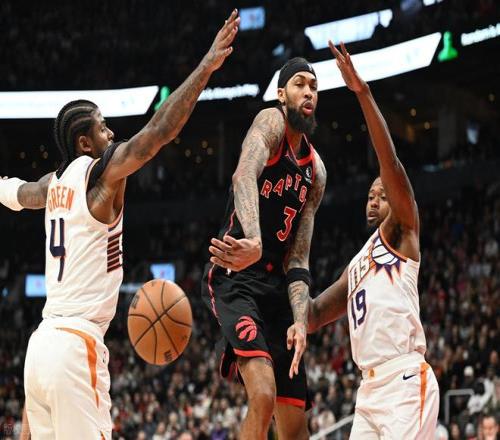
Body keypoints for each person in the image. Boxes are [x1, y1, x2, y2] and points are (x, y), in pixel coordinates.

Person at [0, 10, 240, 439]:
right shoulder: (99, 176)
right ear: (84, 142)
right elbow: (158, 132)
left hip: (40, 347)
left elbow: (16, 193)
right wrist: (206, 67)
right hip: (75, 348)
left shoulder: (51, 185)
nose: (111, 134)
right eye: (103, 128)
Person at [307, 42, 440, 439]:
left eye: (382, 194)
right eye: (370, 195)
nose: (374, 199)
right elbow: (313, 315)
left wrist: (362, 93)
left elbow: (390, 162)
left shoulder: (402, 230)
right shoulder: (356, 266)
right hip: (368, 392)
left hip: (403, 380)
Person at [202, 56, 327, 440]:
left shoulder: (316, 172)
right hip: (236, 276)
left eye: (314, 87)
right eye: (299, 84)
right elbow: (243, 173)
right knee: (263, 395)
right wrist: (254, 240)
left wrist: (300, 321)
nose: (308, 92)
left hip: (277, 290)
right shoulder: (271, 122)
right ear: (281, 94)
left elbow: (298, 257)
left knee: (295, 426)